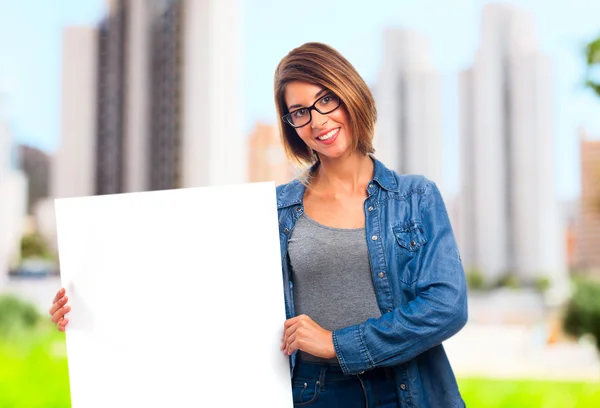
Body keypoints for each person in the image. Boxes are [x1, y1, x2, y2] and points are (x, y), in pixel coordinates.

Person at [50, 42, 468, 407]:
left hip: (410, 389)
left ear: (350, 94)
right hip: (316, 392)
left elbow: (446, 306)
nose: (318, 122)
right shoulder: (275, 210)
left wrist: (337, 343)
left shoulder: (415, 197)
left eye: (326, 100)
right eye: (299, 112)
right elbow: (200, 294)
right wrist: (94, 310)